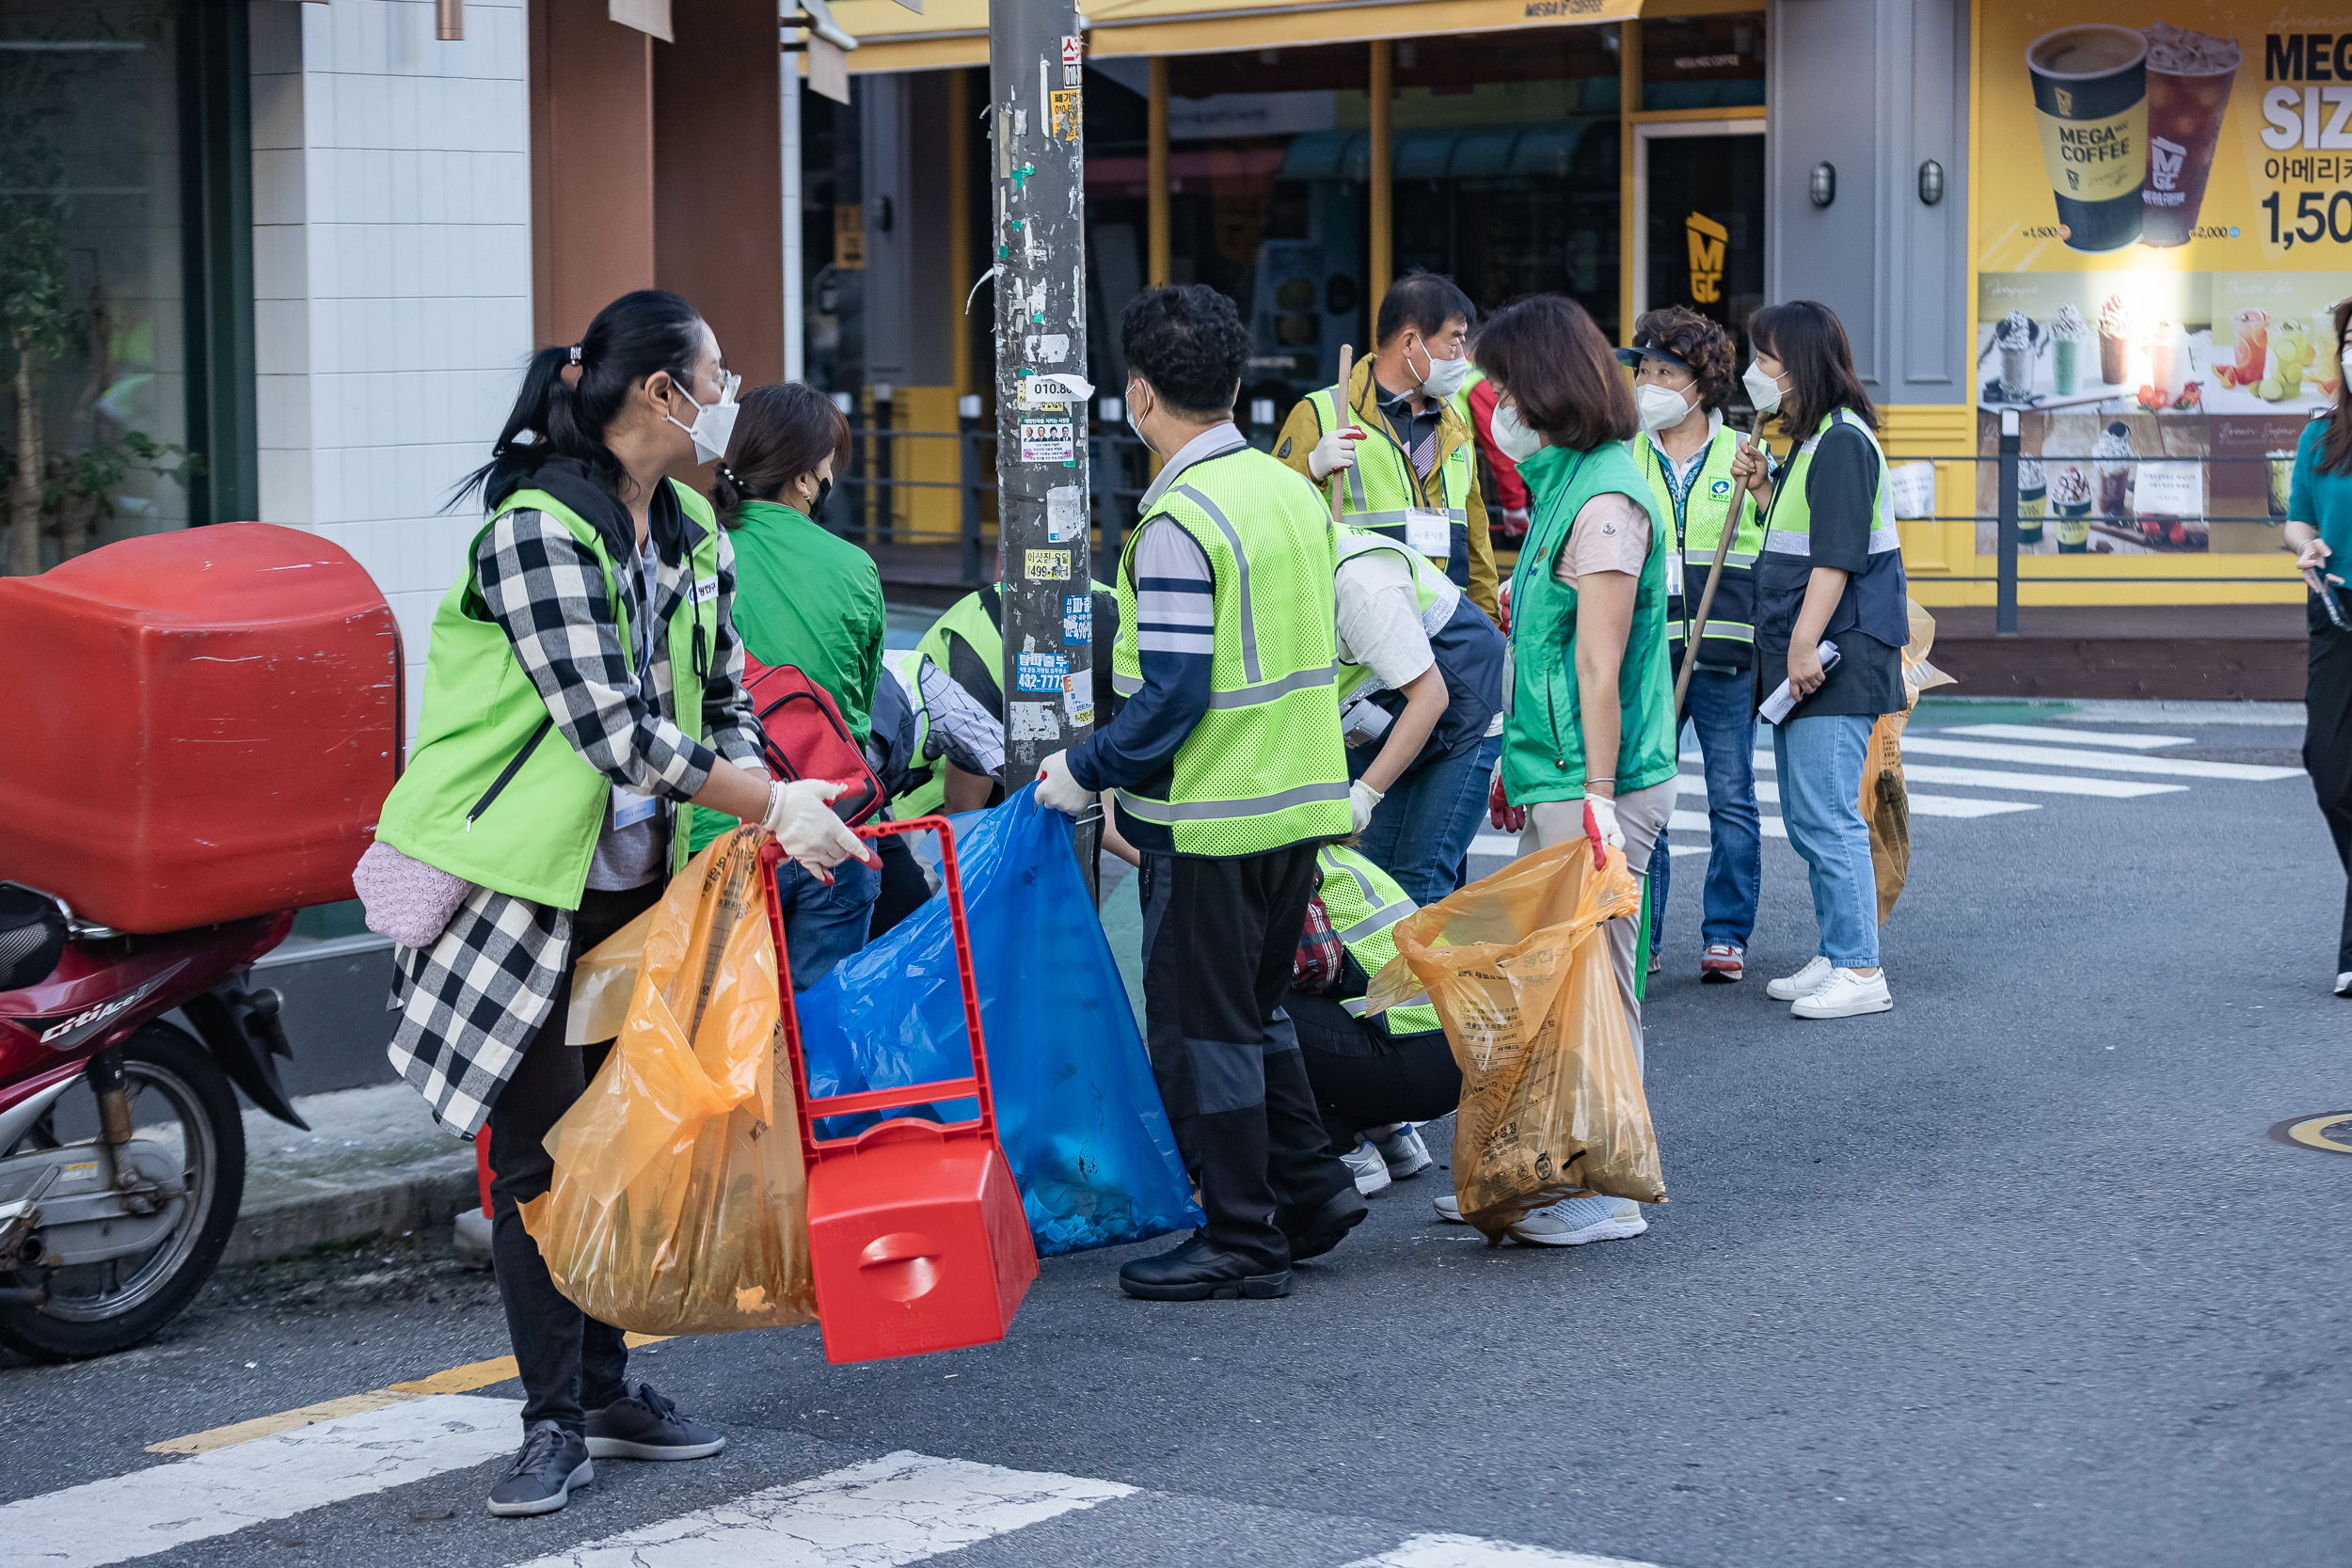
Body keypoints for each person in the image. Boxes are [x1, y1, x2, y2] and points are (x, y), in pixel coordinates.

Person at [373, 290, 869, 1518]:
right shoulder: (537, 529)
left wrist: (779, 792)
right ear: (662, 389)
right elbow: (612, 727)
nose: (731, 385)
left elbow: (714, 700)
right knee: (539, 1151)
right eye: (718, 368)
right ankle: (550, 1419)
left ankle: (604, 1382)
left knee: (618, 1133)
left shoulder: (692, 524)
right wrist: (766, 802)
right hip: (521, 888)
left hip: (629, 881)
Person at [1033, 283, 1364, 1302]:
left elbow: (1174, 688)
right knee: (1255, 1012)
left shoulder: (1178, 517)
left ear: (1138, 396)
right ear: (1233, 383)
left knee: (1202, 1033)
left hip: (1215, 819)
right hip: (1300, 800)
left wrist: (1081, 767)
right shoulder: (1286, 490)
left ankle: (1242, 1236)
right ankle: (1308, 1193)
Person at [1471, 293, 1674, 1248]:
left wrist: (1590, 796)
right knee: (1562, 985)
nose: (1497, 403)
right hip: (1562, 771)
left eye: (1507, 384)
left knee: (1596, 986)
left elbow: (1600, 664)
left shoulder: (1603, 496)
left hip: (1603, 781)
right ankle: (1557, 1169)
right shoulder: (1569, 478)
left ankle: (1613, 1183)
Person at [1729, 299, 1909, 1020]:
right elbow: (1803, 540)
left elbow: (1837, 559)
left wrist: (1803, 644)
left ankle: (1862, 968)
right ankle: (1841, 949)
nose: (1756, 374)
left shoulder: (1842, 442)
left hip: (1835, 652)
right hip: (1808, 652)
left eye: (1766, 360)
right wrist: (1766, 487)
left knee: (1829, 814)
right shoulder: (1810, 444)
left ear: (1799, 365)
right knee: (1809, 815)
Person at [687, 381, 885, 988]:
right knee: (817, 1034)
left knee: (718, 1038)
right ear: (805, 477)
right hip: (833, 829)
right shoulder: (853, 568)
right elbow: (859, 704)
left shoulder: (694, 552)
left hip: (717, 834)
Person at [1622, 307, 1767, 984]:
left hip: (1725, 647)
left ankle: (1726, 932)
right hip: (1648, 647)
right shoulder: (1625, 456)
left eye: (1662, 371)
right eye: (1643, 369)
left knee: (1731, 792)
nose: (1646, 382)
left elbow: (1772, 545)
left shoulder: (1744, 456)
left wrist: (1763, 490)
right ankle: (1643, 932)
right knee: (1645, 792)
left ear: (1700, 382)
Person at [1274, 271, 1502, 624]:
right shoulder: (1321, 414)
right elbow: (1275, 524)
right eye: (1454, 341)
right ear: (1410, 343)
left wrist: (1486, 629)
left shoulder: (1454, 423)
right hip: (1363, 640)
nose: (1462, 356)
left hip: (1449, 637)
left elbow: (1477, 546)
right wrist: (1311, 471)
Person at [1331, 520, 1506, 905]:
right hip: (1396, 716)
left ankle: (1417, 968)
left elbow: (1430, 697)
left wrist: (1363, 795)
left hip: (1467, 715)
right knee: (1370, 877)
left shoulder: (1363, 586)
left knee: (1418, 879)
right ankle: (1381, 968)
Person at [1282, 844, 1454, 1197]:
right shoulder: (1341, 857)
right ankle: (1388, 1134)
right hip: (1455, 1055)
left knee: (1246, 1004)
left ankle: (1339, 1149)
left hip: (1407, 1065)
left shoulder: (1287, 860)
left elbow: (1316, 967)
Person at [898, 580, 1122, 816]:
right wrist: (1145, 853)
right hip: (935, 774)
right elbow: (962, 811)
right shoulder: (983, 664)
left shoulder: (1122, 618)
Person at [2285, 297, 2352, 997]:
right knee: (2327, 765)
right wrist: (2308, 548)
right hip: (2335, 607)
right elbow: (2296, 522)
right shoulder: (2320, 437)